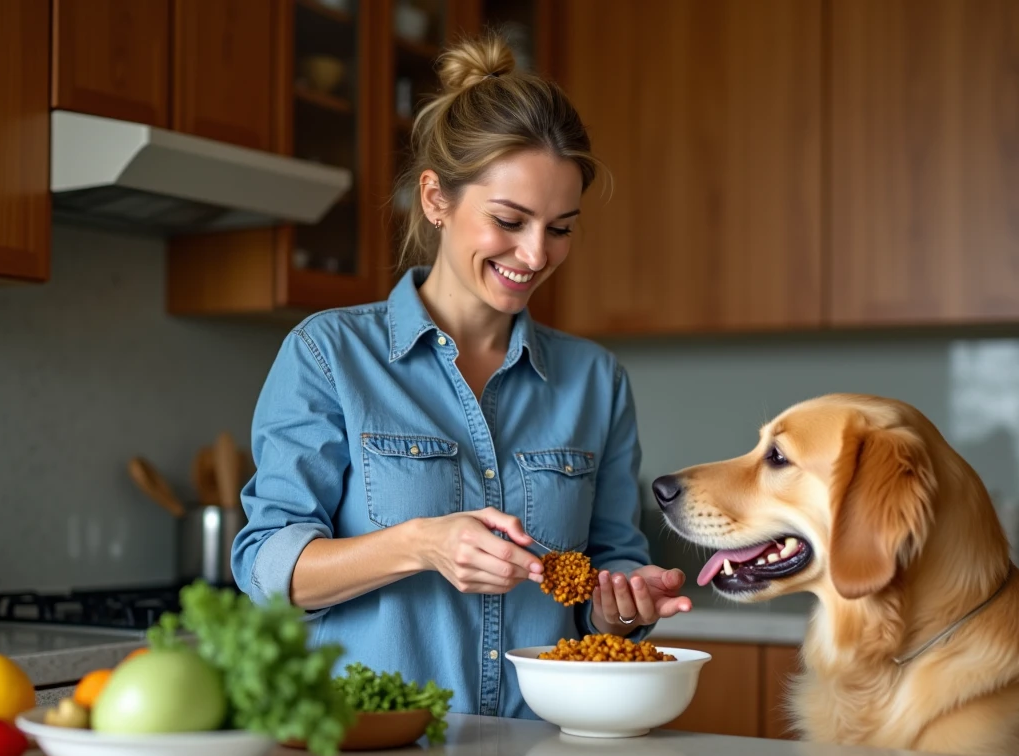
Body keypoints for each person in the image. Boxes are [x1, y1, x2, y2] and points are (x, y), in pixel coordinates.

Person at [231, 32, 692, 719]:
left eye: (560, 228)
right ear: (436, 200)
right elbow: (269, 570)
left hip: (539, 753)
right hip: (372, 755)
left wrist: (621, 604)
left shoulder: (597, 381)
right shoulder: (329, 354)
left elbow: (610, 567)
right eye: (509, 220)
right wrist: (421, 544)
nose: (535, 255)